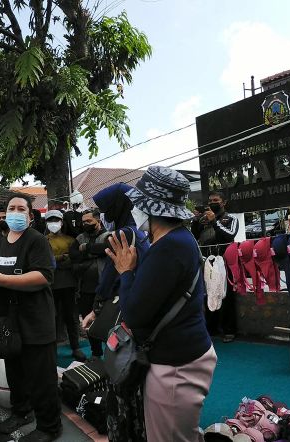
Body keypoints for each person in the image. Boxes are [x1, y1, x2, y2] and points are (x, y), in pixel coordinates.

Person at [107, 166, 217, 442]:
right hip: (181, 357)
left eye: (138, 204)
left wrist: (126, 272)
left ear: (152, 208)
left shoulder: (169, 247)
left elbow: (134, 315)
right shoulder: (176, 240)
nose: (135, 209)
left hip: (176, 367)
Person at [0, 196, 62, 442]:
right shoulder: (3, 242)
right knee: (16, 372)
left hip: (36, 320)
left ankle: (49, 426)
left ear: (30, 215)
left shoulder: (37, 241)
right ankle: (21, 412)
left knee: (41, 378)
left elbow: (43, 277)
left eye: (20, 209)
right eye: (10, 208)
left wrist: (0, 280)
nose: (15, 212)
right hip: (10, 322)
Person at [80, 183, 150, 442]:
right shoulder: (138, 232)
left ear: (116, 207)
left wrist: (96, 307)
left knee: (121, 370)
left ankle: (125, 431)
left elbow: (109, 276)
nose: (103, 215)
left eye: (104, 209)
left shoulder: (122, 234)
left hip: (124, 309)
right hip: (140, 307)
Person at [191, 190, 239, 343]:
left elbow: (229, 235)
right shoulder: (204, 220)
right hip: (207, 261)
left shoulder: (231, 219)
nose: (212, 203)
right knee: (207, 294)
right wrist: (196, 221)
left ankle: (229, 330)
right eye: (210, 200)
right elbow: (195, 236)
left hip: (225, 262)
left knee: (226, 295)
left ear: (223, 202)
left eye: (216, 200)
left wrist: (214, 221)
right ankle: (211, 328)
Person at [45, 209, 85, 362]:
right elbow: (47, 262)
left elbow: (75, 259)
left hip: (69, 284)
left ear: (62, 222)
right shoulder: (43, 240)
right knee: (52, 318)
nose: (54, 224)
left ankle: (76, 347)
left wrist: (59, 261)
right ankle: (51, 349)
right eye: (51, 221)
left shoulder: (70, 240)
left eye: (57, 220)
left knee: (71, 317)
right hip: (51, 285)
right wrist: (62, 258)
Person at [69, 209, 110, 360]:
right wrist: (94, 254)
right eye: (83, 222)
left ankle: (110, 356)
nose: (85, 224)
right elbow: (73, 255)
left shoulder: (108, 236)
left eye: (89, 221)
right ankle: (96, 353)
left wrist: (86, 250)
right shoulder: (80, 237)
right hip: (84, 288)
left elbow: (107, 249)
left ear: (98, 221)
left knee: (107, 323)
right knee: (89, 324)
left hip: (105, 289)